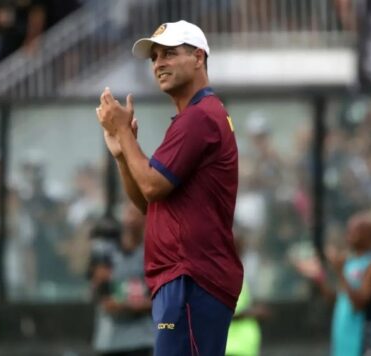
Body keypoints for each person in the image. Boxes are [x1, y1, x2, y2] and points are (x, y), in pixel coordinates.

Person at [95, 20, 243, 356]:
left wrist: (123, 132)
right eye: (155, 57)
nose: (159, 63)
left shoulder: (199, 118)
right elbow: (149, 204)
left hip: (190, 277)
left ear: (198, 58)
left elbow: (150, 185)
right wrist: (123, 153)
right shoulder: (194, 117)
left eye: (170, 54)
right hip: (183, 278)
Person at [294, 212, 371, 356]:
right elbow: (338, 299)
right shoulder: (349, 261)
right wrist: (319, 278)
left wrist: (340, 272)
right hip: (344, 338)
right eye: (349, 229)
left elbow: (359, 304)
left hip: (364, 342)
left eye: (356, 230)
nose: (350, 234)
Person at [90, 202, 154, 356]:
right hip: (110, 341)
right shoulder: (104, 251)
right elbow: (102, 296)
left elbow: (157, 299)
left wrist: (125, 305)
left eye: (137, 214)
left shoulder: (153, 252)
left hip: (143, 339)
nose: (131, 220)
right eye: (129, 213)